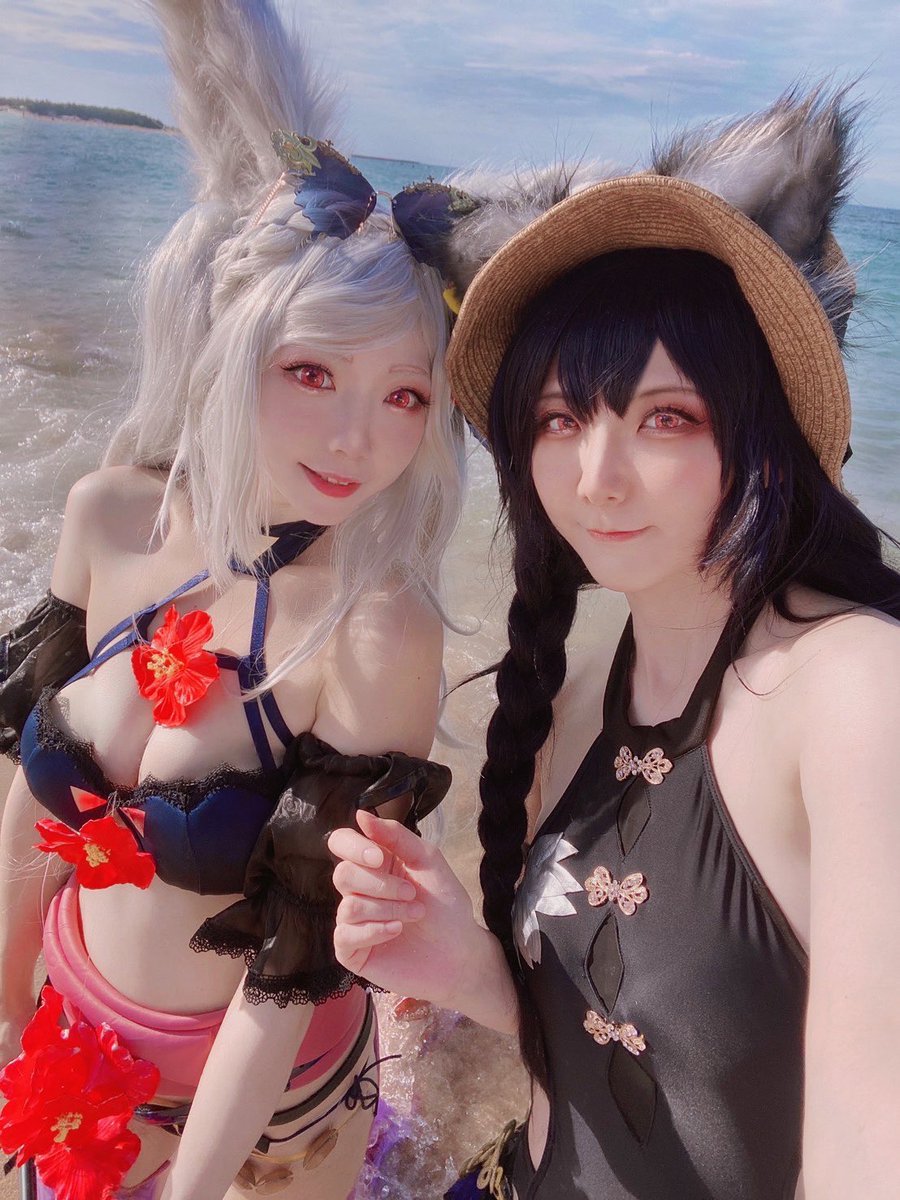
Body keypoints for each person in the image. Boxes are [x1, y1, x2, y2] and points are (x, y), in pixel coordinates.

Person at [328, 87, 900, 1199]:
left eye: (665, 418)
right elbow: (608, 1056)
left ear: (764, 435)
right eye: (559, 419)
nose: (595, 478)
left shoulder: (851, 693)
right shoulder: (583, 689)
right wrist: (472, 968)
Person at [0, 2, 466, 1198]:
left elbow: (291, 968)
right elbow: (24, 791)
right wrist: (4, 1009)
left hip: (266, 1121)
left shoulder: (375, 628)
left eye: (406, 396)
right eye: (312, 370)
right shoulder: (111, 516)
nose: (359, 438)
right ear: (234, 346)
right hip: (66, 1037)